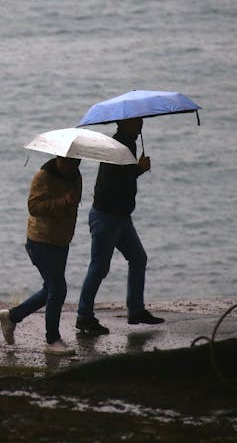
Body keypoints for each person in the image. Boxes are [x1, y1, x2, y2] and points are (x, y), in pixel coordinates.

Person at [76, 117, 164, 335]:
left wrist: (136, 168)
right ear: (124, 124)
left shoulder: (129, 143)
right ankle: (84, 316)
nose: (140, 125)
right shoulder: (115, 146)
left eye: (141, 122)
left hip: (121, 217)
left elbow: (122, 176)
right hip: (106, 217)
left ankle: (135, 310)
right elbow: (115, 179)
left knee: (138, 258)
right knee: (99, 267)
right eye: (136, 122)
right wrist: (139, 169)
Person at [0, 155, 82, 355]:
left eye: (73, 163)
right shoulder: (42, 177)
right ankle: (52, 339)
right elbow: (33, 207)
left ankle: (12, 317)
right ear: (57, 158)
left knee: (50, 290)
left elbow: (73, 205)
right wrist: (63, 201)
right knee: (58, 289)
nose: (68, 166)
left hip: (61, 241)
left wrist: (71, 202)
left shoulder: (76, 177)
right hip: (40, 241)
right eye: (64, 161)